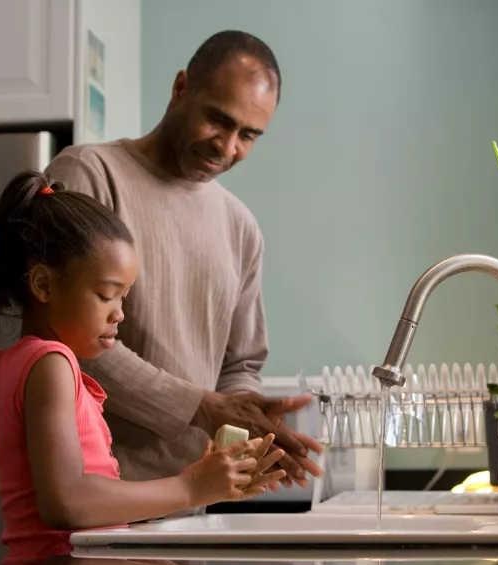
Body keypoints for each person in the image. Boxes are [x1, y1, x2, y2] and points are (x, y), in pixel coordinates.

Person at [44, 30, 322, 490]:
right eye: (218, 119)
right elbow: (65, 337)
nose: (227, 147)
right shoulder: (88, 174)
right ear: (180, 89)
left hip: (190, 501)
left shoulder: (240, 226)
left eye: (248, 135)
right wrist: (201, 407)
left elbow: (240, 364)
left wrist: (247, 421)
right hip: (93, 496)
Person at [0, 171, 285, 557]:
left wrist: (205, 483)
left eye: (124, 298)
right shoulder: (51, 363)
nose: (120, 315)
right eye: (106, 295)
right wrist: (190, 487)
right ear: (44, 286)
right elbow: (67, 501)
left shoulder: (24, 361)